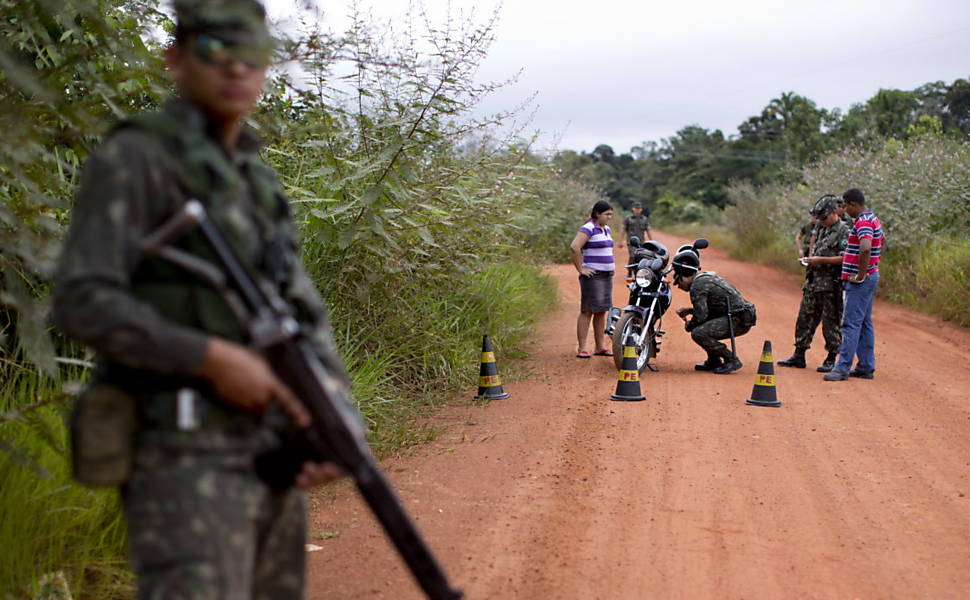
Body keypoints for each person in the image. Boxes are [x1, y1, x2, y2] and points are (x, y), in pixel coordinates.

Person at [52, 1, 342, 597]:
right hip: (182, 455)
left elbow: (303, 313)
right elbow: (82, 298)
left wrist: (335, 422)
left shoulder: (254, 176)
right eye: (215, 51)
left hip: (269, 451)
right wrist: (209, 357)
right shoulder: (138, 157)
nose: (237, 70)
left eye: (253, 56)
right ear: (176, 58)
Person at [778, 195, 850, 372]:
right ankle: (799, 354)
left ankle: (832, 357)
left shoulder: (844, 231)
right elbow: (813, 244)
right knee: (805, 318)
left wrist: (820, 260)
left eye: (824, 217)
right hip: (813, 282)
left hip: (831, 285)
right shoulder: (820, 228)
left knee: (831, 322)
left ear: (834, 212)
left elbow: (846, 258)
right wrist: (810, 260)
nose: (821, 221)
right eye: (819, 218)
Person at [824, 188, 885, 381]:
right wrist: (873, 263)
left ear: (852, 204)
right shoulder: (872, 218)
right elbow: (882, 241)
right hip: (870, 275)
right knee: (864, 323)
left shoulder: (863, 221)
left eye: (845, 206)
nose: (845, 211)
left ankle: (842, 368)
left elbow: (866, 247)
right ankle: (865, 366)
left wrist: (860, 274)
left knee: (850, 323)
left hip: (862, 280)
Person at [672, 250, 757, 375]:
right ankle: (714, 360)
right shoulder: (704, 278)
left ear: (684, 277)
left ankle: (731, 359)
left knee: (698, 333)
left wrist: (689, 325)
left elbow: (701, 316)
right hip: (738, 315)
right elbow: (711, 307)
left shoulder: (697, 286)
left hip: (738, 319)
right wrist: (690, 310)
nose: (678, 286)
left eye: (678, 281)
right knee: (704, 327)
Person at [570, 200, 615, 358]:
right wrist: (581, 269)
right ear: (597, 214)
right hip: (593, 276)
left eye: (610, 214)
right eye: (606, 214)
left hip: (606, 275)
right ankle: (582, 347)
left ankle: (600, 346)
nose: (609, 217)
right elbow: (575, 247)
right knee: (587, 310)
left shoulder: (606, 229)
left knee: (601, 311)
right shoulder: (588, 228)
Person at [620, 202, 652, 279]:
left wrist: (651, 242)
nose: (637, 210)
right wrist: (620, 241)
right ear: (633, 209)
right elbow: (623, 229)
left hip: (641, 242)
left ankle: (637, 272)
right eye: (636, 208)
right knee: (632, 256)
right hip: (631, 242)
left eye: (639, 208)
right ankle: (630, 271)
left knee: (640, 257)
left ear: (641, 209)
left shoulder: (644, 219)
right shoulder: (628, 218)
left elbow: (648, 230)